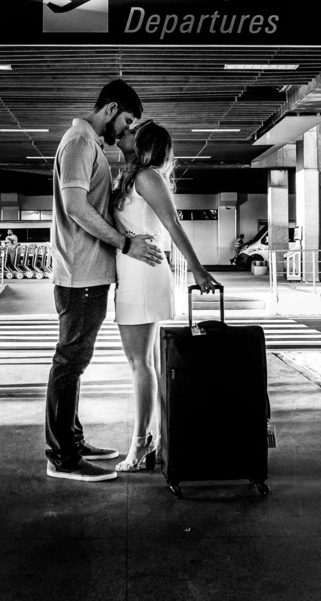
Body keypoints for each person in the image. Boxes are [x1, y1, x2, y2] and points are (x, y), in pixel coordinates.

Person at [45, 79, 162, 482]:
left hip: (88, 272)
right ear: (111, 109)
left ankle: (71, 441)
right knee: (70, 362)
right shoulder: (79, 142)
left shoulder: (88, 144)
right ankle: (63, 458)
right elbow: (76, 206)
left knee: (75, 360)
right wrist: (125, 243)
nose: (127, 130)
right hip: (80, 274)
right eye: (127, 120)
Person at [110, 120, 218, 472]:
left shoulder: (147, 177)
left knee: (139, 364)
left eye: (129, 132)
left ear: (142, 144)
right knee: (148, 365)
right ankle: (158, 440)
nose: (121, 133)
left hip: (143, 274)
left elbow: (173, 225)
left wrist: (199, 270)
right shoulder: (130, 177)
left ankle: (141, 443)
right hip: (134, 271)